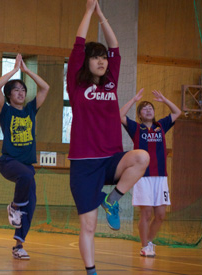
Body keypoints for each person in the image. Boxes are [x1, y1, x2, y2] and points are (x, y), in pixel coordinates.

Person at [66, 1, 150, 274]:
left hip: (111, 159)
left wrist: (102, 15)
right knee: (88, 225)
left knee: (141, 156)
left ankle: (112, 199)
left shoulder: (112, 80)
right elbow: (79, 44)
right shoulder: (76, 85)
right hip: (84, 165)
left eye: (103, 57)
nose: (102, 61)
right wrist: (88, 12)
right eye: (95, 57)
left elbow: (115, 48)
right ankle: (91, 271)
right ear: (86, 62)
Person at [0, 53, 49, 260]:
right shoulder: (5, 111)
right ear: (9, 95)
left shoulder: (31, 110)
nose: (21, 92)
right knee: (26, 177)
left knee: (31, 203)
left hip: (26, 166)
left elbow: (45, 88)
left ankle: (19, 245)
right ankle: (14, 206)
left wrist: (27, 72)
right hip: (9, 162)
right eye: (16, 89)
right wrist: (14, 71)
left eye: (23, 89)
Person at [120, 88, 181, 257]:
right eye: (144, 108)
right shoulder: (136, 128)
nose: (148, 109)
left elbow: (177, 112)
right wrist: (133, 100)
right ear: (140, 115)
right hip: (143, 177)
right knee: (146, 213)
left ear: (154, 112)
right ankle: (145, 246)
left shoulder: (161, 126)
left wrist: (165, 99)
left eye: (150, 108)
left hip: (161, 177)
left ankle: (150, 242)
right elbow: (120, 115)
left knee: (161, 215)